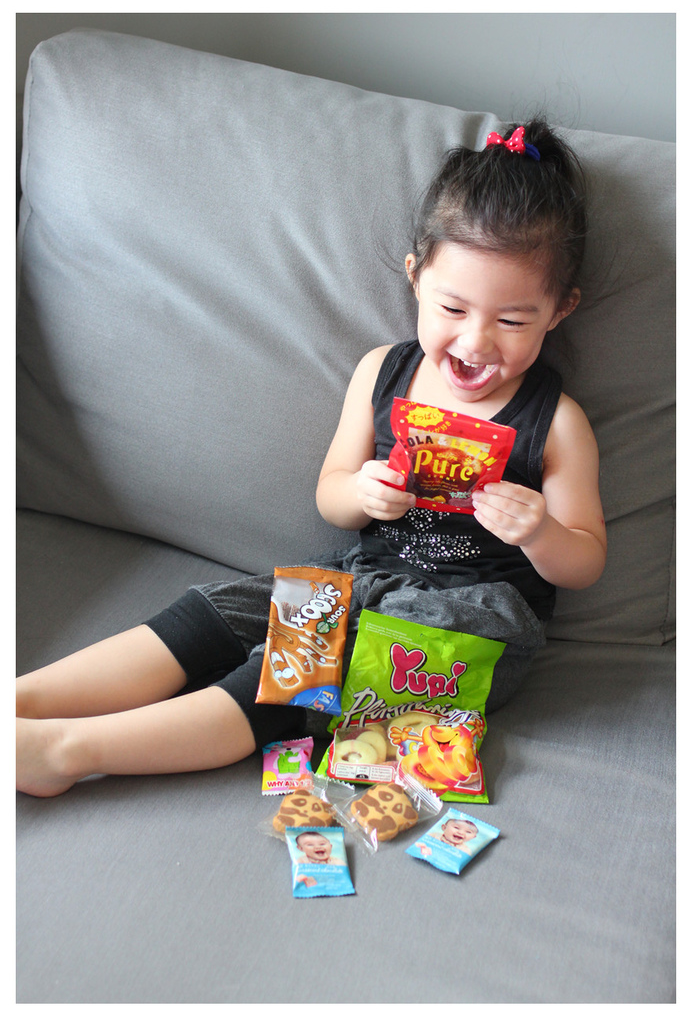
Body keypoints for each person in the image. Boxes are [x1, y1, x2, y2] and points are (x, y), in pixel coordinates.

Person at [16, 119, 606, 799]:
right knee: (224, 610)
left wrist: (539, 530)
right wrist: (363, 491)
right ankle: (24, 700)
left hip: (472, 618)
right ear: (415, 278)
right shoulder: (383, 372)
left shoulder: (556, 423)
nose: (476, 342)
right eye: (452, 307)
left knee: (296, 671)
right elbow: (331, 494)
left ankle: (66, 752)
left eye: (512, 321)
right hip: (364, 576)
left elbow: (586, 561)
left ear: (559, 311)